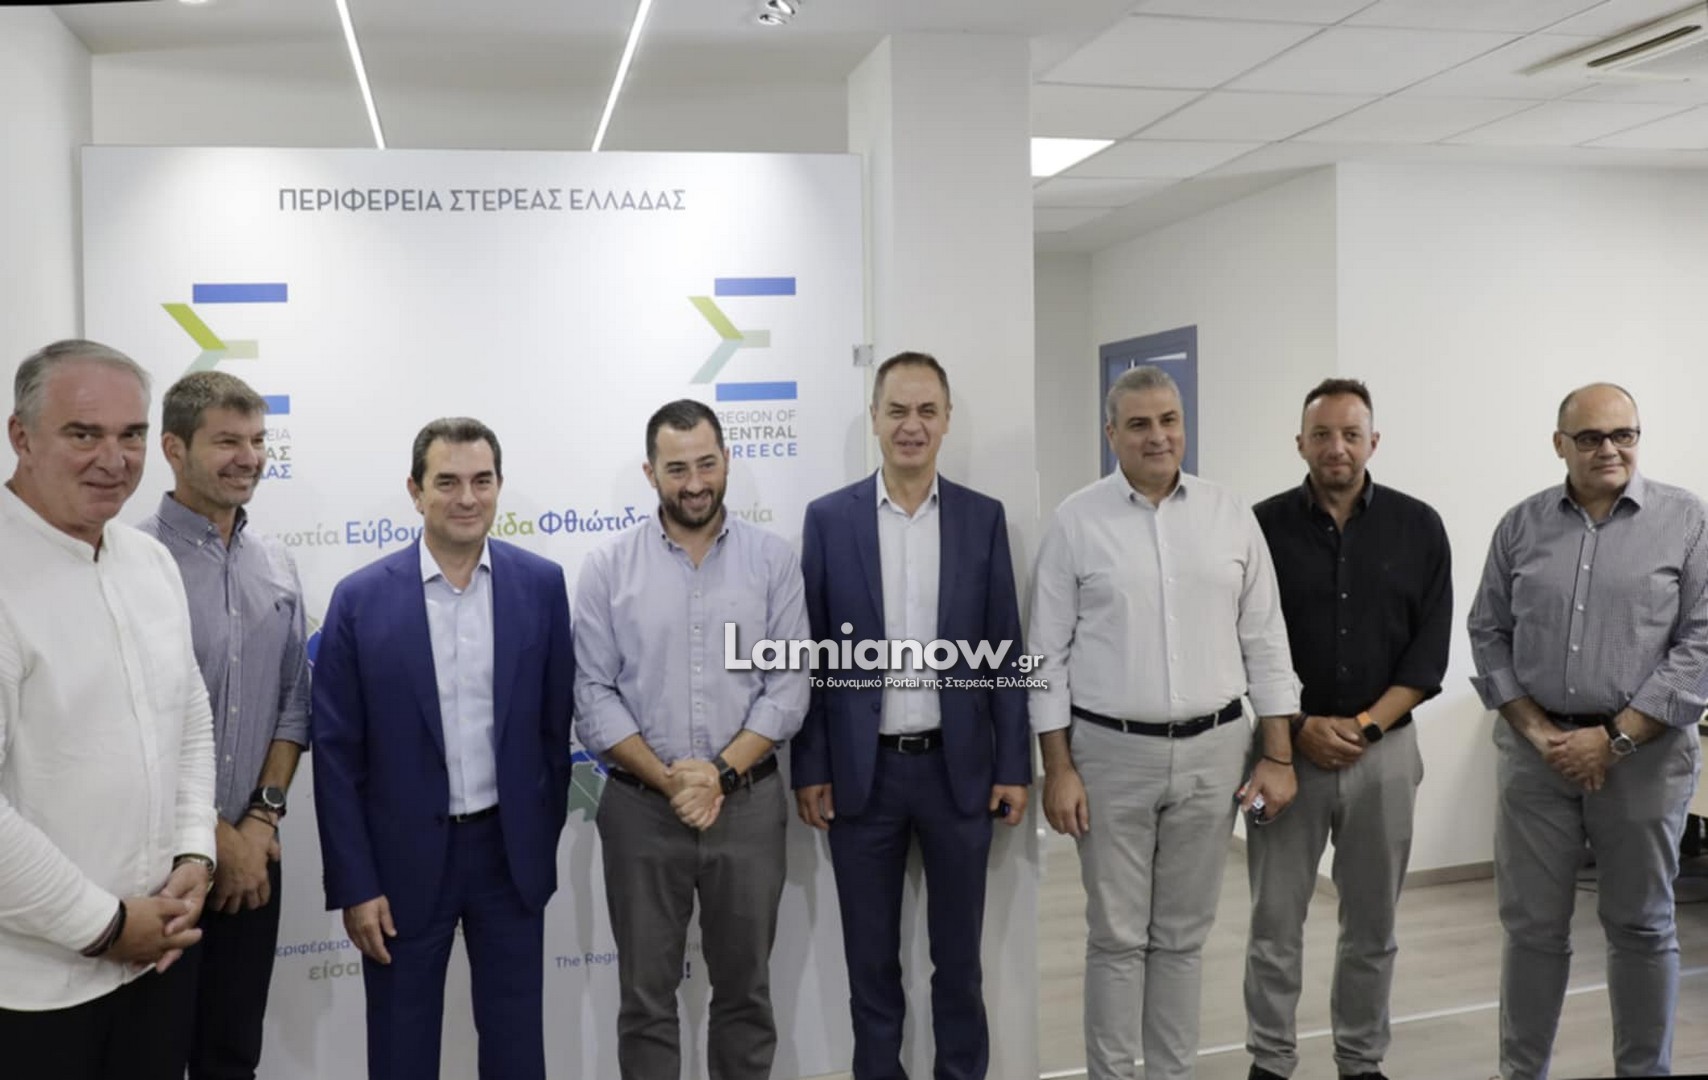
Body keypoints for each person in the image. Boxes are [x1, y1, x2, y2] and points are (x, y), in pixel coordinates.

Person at [1029, 364, 1301, 1080]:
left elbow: (1266, 642)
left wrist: (1277, 755)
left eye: (1169, 420)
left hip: (1216, 751)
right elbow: (1043, 658)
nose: (1158, 436)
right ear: (1111, 433)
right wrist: (1057, 769)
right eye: (1140, 424)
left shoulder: (1229, 515)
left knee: (1182, 937)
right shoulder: (1076, 521)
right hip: (1108, 754)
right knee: (1117, 937)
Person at [311, 417, 575, 1080]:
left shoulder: (541, 586)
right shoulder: (359, 600)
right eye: (448, 482)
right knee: (401, 1050)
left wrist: (537, 839)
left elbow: (554, 731)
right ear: (416, 490)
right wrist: (357, 883)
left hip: (508, 859)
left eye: (482, 481)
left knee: (517, 1049)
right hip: (400, 867)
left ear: (499, 486)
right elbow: (337, 758)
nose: (467, 498)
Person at [791, 351, 1030, 1080]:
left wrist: (1014, 766)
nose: (912, 425)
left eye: (927, 410)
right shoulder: (829, 520)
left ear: (947, 420)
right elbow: (812, 655)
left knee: (959, 967)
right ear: (874, 418)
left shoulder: (982, 518)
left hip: (959, 775)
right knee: (871, 969)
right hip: (863, 780)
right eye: (897, 410)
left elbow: (1004, 648)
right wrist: (811, 766)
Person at [1468, 382, 1707, 1080]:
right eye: (1591, 437)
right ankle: (1522, 1072)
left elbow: (1700, 643)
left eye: (1623, 434)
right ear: (1560, 444)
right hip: (1535, 759)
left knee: (1641, 925)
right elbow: (1488, 632)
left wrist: (1616, 738)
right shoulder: (1520, 525)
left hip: (1645, 759)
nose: (1610, 449)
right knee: (1531, 929)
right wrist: (1536, 730)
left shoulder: (1687, 521)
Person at [574, 398, 809, 1080]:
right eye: (677, 469)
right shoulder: (608, 567)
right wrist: (672, 780)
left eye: (707, 464)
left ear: (727, 460)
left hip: (748, 807)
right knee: (645, 1000)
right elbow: (592, 694)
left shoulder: (773, 561)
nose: (696, 483)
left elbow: (790, 685)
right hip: (642, 810)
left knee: (746, 995)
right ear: (651, 473)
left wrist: (720, 776)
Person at [0, 339, 216, 1079]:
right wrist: (107, 925)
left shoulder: (147, 560)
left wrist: (194, 854)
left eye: (131, 435)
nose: (114, 459)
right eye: (83, 433)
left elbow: (189, 716)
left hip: (156, 963)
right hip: (32, 992)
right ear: (21, 436)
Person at [1243, 378, 1452, 1080]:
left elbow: (1428, 654)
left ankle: (1360, 1060)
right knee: (1275, 923)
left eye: (1351, 434)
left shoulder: (1419, 527)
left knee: (1372, 924)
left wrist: (1363, 728)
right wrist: (1299, 726)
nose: (1337, 447)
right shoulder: (1259, 527)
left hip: (1383, 756)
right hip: (1283, 756)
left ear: (1373, 442)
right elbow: (1244, 643)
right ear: (1300, 443)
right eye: (1322, 434)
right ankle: (1270, 1061)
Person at [139, 370, 310, 1080]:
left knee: (233, 1055)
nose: (249, 458)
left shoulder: (277, 563)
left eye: (258, 441)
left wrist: (260, 825)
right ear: (174, 449)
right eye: (228, 442)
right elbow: (137, 726)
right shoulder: (133, 562)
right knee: (150, 1056)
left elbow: (294, 702)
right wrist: (216, 840)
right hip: (156, 865)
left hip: (254, 862)